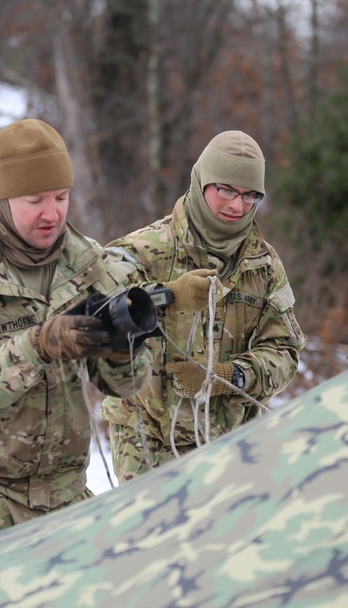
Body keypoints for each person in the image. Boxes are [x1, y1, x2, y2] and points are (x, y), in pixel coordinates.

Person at [0, 118, 153, 554]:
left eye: (61, 197)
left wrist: (123, 350)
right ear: (6, 198)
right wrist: (41, 345)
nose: (53, 213)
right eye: (35, 200)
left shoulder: (86, 262)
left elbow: (125, 387)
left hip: (67, 498)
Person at [100, 130, 306, 482]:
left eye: (250, 195)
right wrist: (166, 296)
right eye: (226, 190)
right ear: (201, 181)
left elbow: (284, 351)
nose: (237, 206)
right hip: (148, 441)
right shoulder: (143, 251)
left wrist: (228, 378)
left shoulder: (263, 266)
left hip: (233, 445)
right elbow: (98, 319)